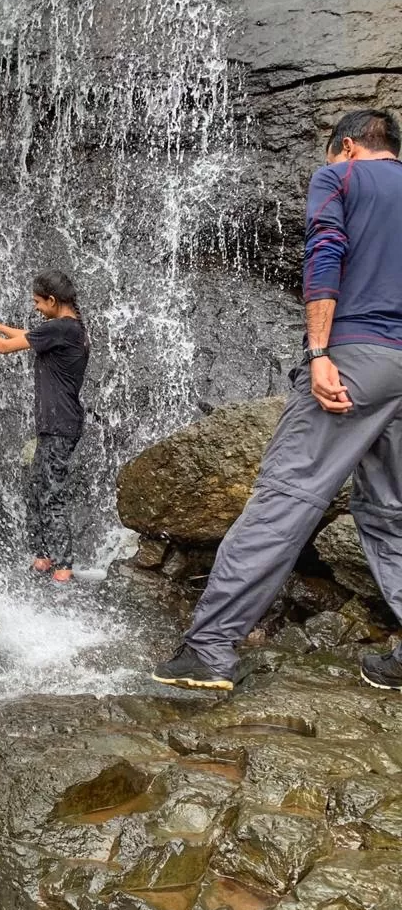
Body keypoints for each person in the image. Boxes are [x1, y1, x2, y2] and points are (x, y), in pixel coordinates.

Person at [152, 107, 402, 693]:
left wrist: (319, 352)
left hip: (357, 357)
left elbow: (326, 253)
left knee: (286, 496)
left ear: (346, 146)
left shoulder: (340, 176)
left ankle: (209, 648)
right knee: (390, 511)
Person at [0, 269, 89, 583]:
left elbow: (4, 348)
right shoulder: (67, 328)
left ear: (52, 300)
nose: (36, 307)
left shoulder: (62, 328)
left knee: (51, 494)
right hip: (55, 424)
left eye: (38, 302)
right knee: (36, 489)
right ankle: (43, 556)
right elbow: (28, 336)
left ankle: (63, 566)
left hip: (61, 425)